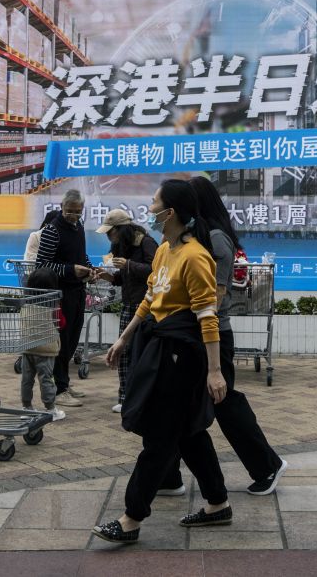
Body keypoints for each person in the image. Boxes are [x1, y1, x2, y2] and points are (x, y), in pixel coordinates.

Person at [93, 179, 231, 544]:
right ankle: (218, 503)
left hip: (182, 356)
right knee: (188, 433)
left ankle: (131, 518)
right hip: (159, 346)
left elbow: (207, 315)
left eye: (154, 203)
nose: (149, 209)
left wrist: (214, 371)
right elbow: (150, 298)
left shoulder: (196, 256)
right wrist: (123, 338)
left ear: (170, 212)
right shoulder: (165, 252)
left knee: (159, 436)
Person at [159, 176, 287, 495]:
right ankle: (167, 475)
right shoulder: (195, 238)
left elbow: (214, 297)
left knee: (224, 402)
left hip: (212, 335)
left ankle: (267, 465)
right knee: (177, 404)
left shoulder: (216, 239)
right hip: (194, 335)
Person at [94, 208, 158, 413]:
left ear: (122, 229)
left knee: (146, 353)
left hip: (147, 306)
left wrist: (129, 265)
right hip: (129, 304)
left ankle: (146, 397)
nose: (109, 236)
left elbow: (156, 272)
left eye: (111, 231)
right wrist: (109, 276)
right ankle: (124, 396)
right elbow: (123, 278)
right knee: (123, 352)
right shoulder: (118, 246)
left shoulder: (146, 242)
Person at [35, 190, 93, 407]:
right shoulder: (52, 230)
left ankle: (64, 382)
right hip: (60, 294)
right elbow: (42, 265)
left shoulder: (79, 226)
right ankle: (59, 390)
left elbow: (82, 255)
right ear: (62, 206)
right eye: (69, 211)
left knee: (72, 340)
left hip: (78, 291)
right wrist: (70, 270)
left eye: (78, 212)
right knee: (61, 341)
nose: (73, 215)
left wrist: (89, 269)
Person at [20, 268, 66, 421]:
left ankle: (26, 407)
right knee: (46, 378)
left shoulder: (25, 302)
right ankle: (50, 409)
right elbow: (61, 323)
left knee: (27, 379)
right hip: (45, 349)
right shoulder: (53, 304)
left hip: (27, 346)